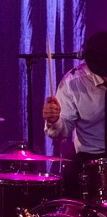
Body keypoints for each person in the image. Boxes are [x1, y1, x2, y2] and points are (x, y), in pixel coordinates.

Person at [42, 30, 107, 199]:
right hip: (91, 157)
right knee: (71, 184)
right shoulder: (73, 82)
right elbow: (61, 131)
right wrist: (54, 120)